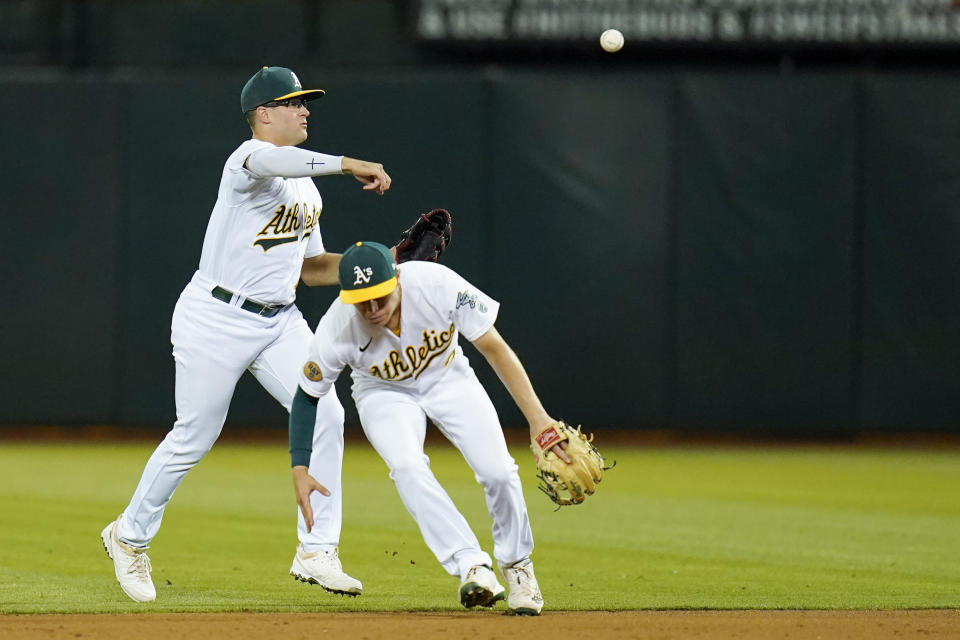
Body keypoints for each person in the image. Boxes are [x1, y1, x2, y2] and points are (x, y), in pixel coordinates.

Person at [100, 66, 393, 603]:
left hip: (279, 321)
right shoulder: (246, 160)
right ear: (264, 114)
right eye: (295, 102)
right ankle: (128, 536)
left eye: (307, 103)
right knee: (195, 435)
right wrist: (350, 163)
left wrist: (380, 263)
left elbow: (313, 268)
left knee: (326, 413)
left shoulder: (305, 188)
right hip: (214, 317)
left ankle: (316, 549)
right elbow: (273, 160)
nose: (306, 110)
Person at [286, 241, 572, 615]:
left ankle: (518, 567)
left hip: (447, 376)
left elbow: (494, 347)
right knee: (406, 467)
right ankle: (472, 565)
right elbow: (307, 395)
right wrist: (300, 466)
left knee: (498, 471)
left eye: (379, 298)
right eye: (362, 301)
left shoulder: (437, 285)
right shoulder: (338, 327)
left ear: (397, 277)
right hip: (382, 391)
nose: (372, 309)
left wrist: (539, 420)